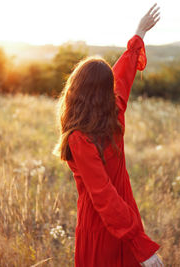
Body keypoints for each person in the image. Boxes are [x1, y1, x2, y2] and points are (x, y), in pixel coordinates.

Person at [54, 3, 162, 266]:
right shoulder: (108, 118)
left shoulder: (90, 129)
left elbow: (122, 74)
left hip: (112, 225)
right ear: (105, 92)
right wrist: (140, 244)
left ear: (75, 90)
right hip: (112, 224)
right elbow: (123, 75)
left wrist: (139, 35)